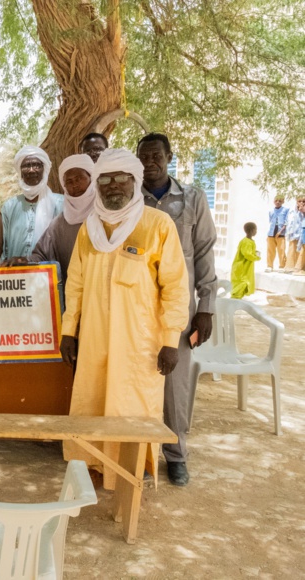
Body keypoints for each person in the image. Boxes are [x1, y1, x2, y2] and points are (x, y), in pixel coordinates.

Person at [59, 148, 190, 490]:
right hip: (95, 338)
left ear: (136, 181)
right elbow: (76, 284)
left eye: (121, 180)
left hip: (141, 342)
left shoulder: (157, 224)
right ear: (97, 187)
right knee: (92, 400)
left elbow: (175, 287)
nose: (114, 187)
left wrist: (170, 340)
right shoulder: (90, 229)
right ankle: (93, 464)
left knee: (133, 406)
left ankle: (133, 470)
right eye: (106, 181)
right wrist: (69, 331)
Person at [138, 132, 218, 486]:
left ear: (169, 157)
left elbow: (203, 253)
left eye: (156, 156)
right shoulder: (128, 199)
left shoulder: (192, 199)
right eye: (143, 157)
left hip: (178, 310)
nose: (149, 162)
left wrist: (206, 307)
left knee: (175, 387)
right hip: (137, 310)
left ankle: (175, 455)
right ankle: (139, 453)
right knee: (138, 383)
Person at [2, 154, 95, 289]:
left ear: (91, 179)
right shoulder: (61, 223)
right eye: (69, 182)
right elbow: (42, 253)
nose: (75, 185)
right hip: (71, 290)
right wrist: (25, 260)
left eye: (79, 178)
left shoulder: (107, 215)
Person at [0, 145, 64, 261]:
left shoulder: (61, 203)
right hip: (16, 276)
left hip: (50, 275)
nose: (31, 170)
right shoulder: (10, 206)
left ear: (44, 169)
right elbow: (3, 248)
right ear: (20, 172)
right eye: (26, 166)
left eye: (36, 165)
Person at [231, 223, 260, 299]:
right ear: (251, 230)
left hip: (245, 268)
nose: (256, 231)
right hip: (242, 268)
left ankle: (236, 301)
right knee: (242, 284)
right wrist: (256, 257)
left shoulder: (248, 241)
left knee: (244, 285)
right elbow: (247, 254)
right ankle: (234, 301)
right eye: (255, 229)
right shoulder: (246, 242)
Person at [265, 194, 289, 272]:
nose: (278, 202)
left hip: (281, 233)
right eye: (276, 200)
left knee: (281, 250)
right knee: (270, 250)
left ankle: (282, 266)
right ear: (274, 201)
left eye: (280, 201)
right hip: (271, 233)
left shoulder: (285, 210)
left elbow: (286, 222)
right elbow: (270, 222)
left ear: (283, 201)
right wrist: (268, 234)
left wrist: (280, 231)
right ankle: (269, 266)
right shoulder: (271, 211)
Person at [283, 198, 303, 273]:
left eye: (303, 201)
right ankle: (289, 267)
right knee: (291, 251)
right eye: (299, 201)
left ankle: (299, 268)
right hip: (292, 233)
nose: (301, 202)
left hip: (301, 234)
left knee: (300, 252)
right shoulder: (291, 210)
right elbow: (287, 221)